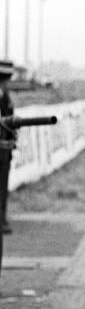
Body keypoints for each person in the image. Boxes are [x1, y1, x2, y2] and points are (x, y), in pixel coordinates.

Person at [0, 60, 14, 235]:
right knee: (2, 187)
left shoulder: (5, 93)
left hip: (6, 146)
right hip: (2, 148)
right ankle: (1, 219)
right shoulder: (2, 93)